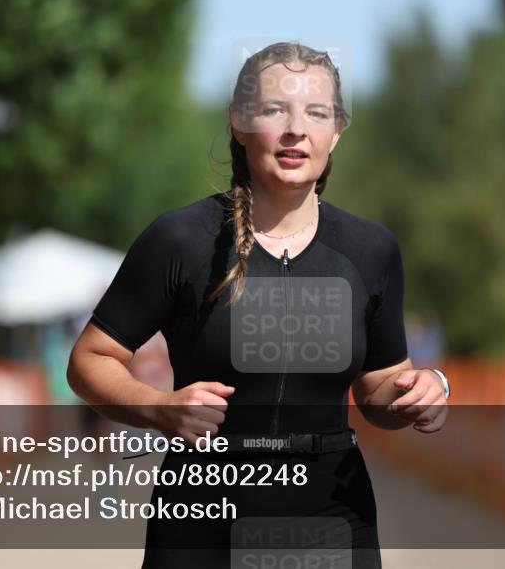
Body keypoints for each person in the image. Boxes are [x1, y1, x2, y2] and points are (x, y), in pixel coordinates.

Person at [67, 41, 450, 568]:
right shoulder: (181, 240)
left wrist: (422, 393)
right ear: (239, 123)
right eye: (275, 110)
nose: (296, 129)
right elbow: (89, 360)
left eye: (316, 113)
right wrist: (158, 409)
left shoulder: (371, 250)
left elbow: (380, 392)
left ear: (336, 130)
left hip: (333, 519)